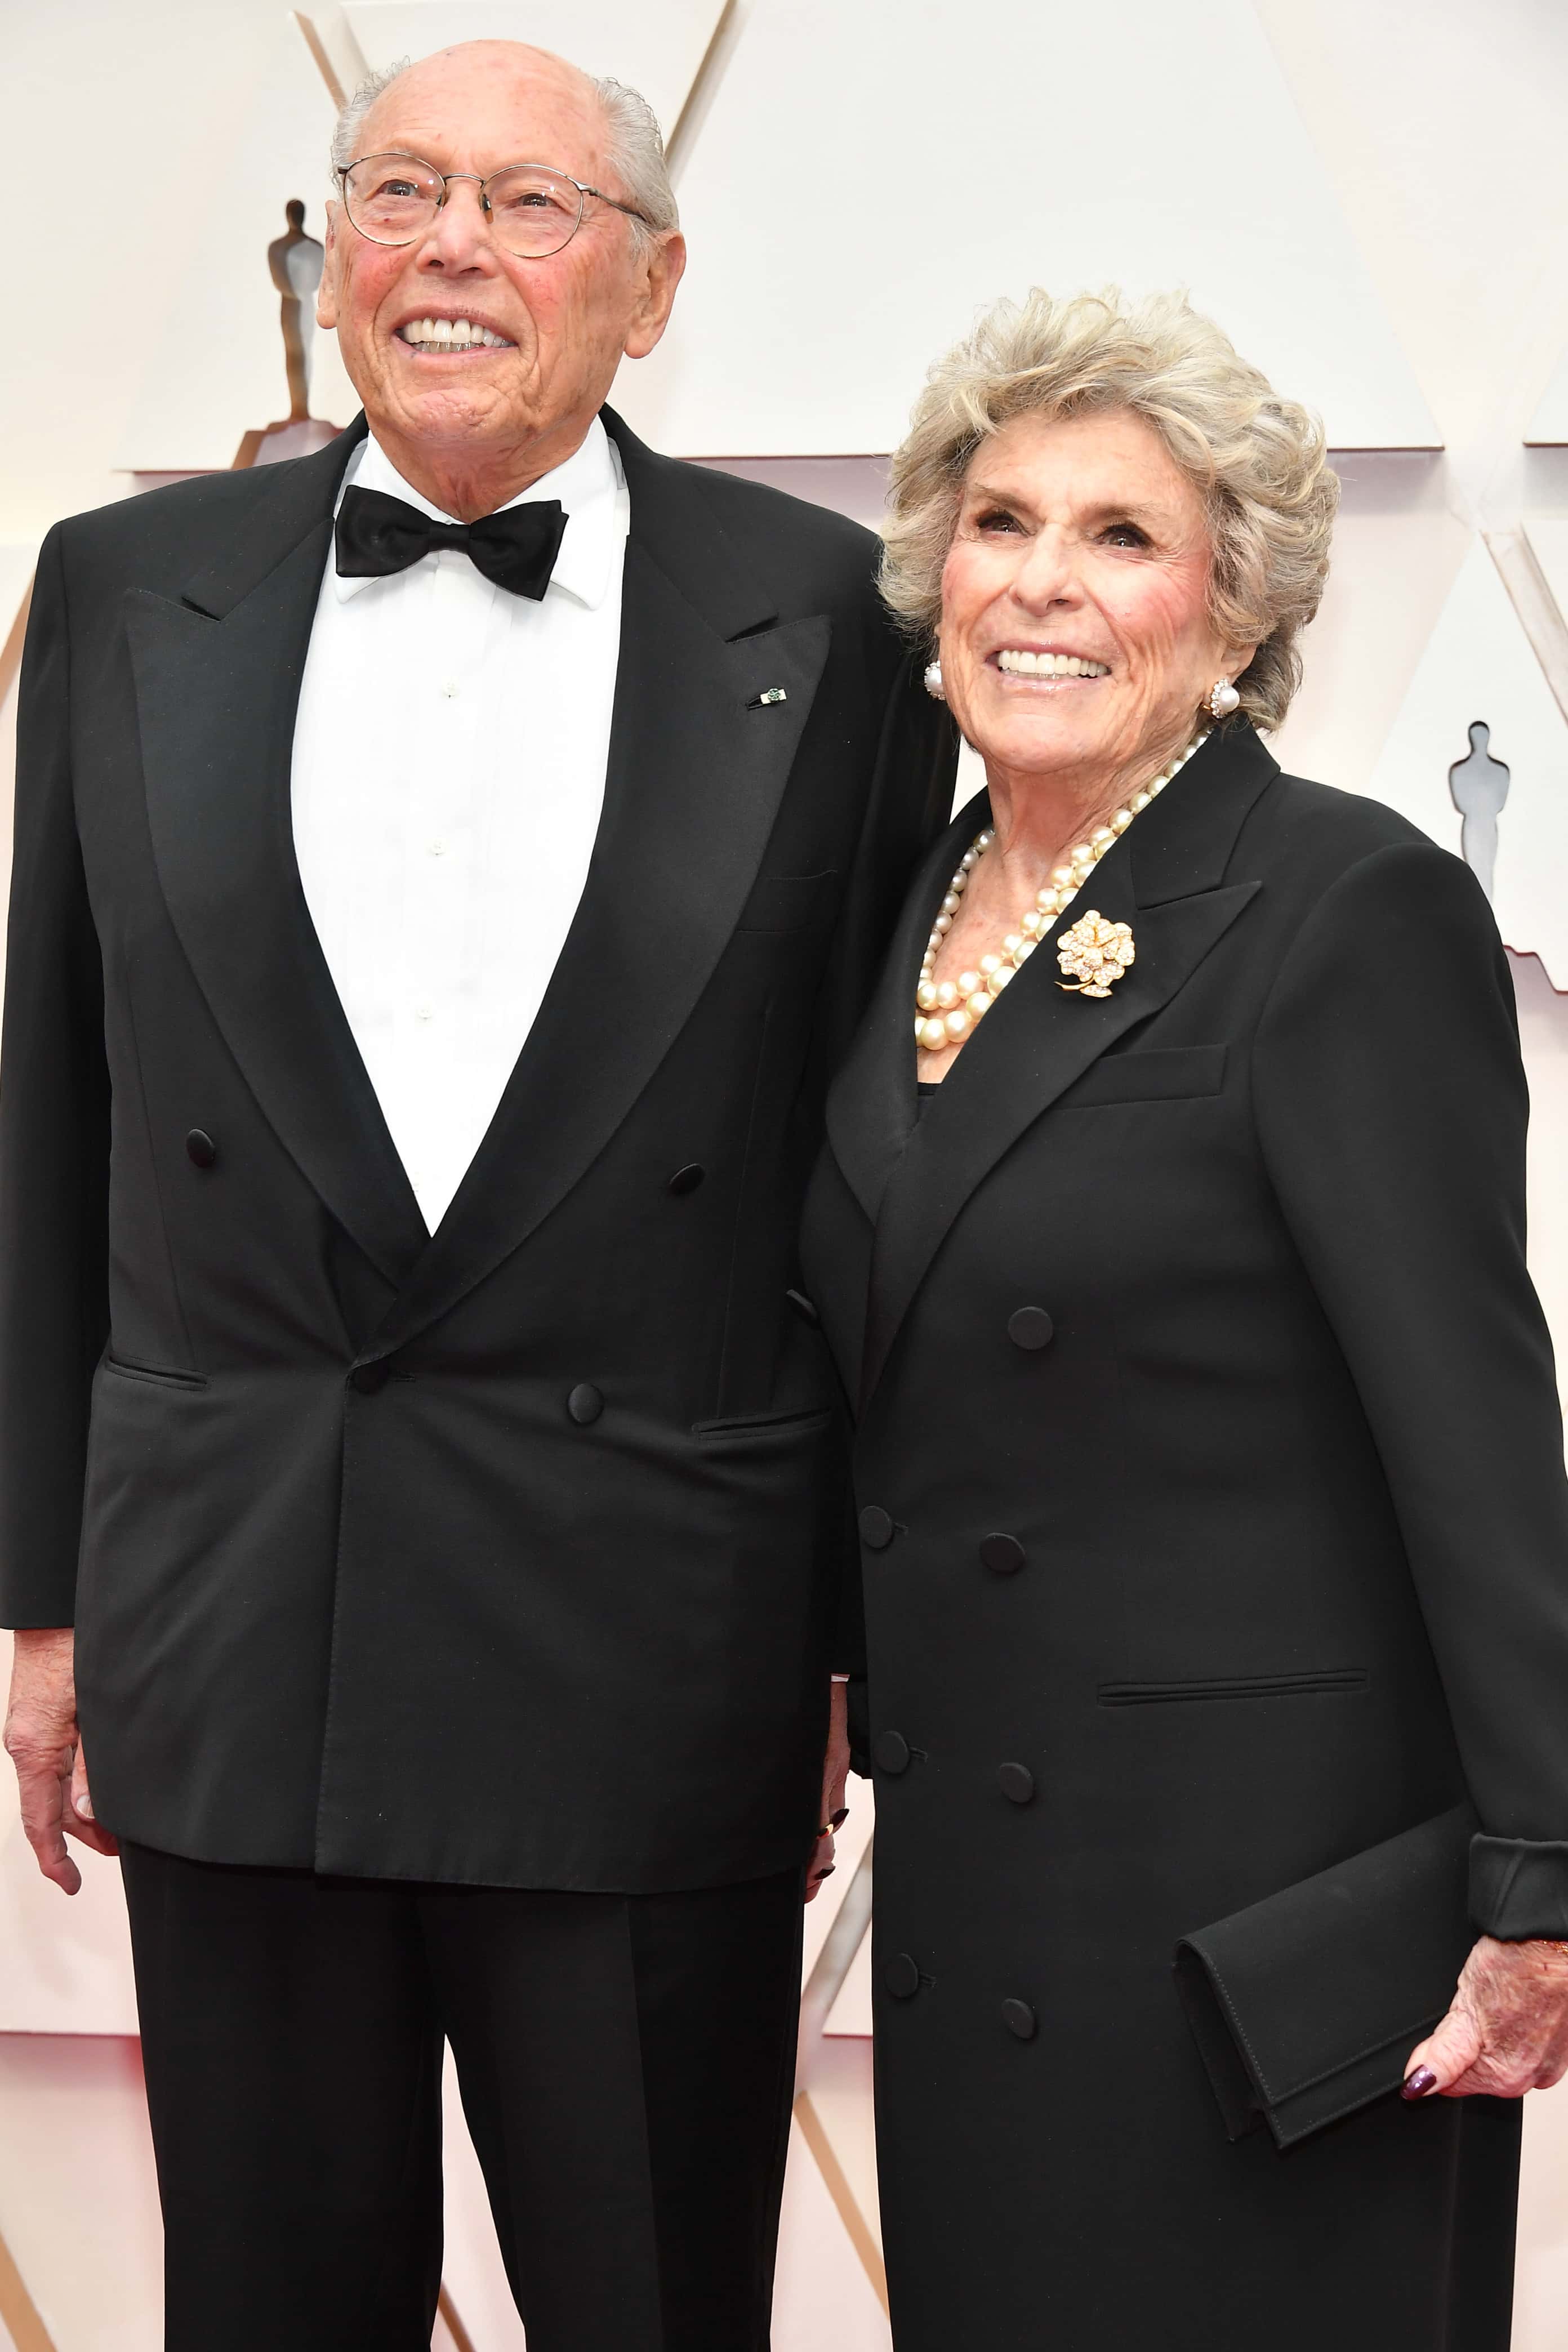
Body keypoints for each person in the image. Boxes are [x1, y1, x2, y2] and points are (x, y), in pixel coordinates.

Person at [0, 41, 951, 2351]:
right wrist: (42, 1593)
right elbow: (58, 1100)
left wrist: (839, 1632)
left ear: (653, 284)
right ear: (333, 256)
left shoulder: (836, 618)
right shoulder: (123, 588)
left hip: (653, 1643)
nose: (445, 249)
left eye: (528, 208)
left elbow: (869, 1194)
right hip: (241, 1617)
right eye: (396, 192)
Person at [799, 287, 1568, 2350]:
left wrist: (1543, 1875)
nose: (1043, 583)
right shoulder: (904, 902)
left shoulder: (1346, 904)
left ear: (1234, 614)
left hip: (1259, 1931)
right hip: (984, 1906)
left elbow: (1478, 1433)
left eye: (1122, 537)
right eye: (1002, 522)